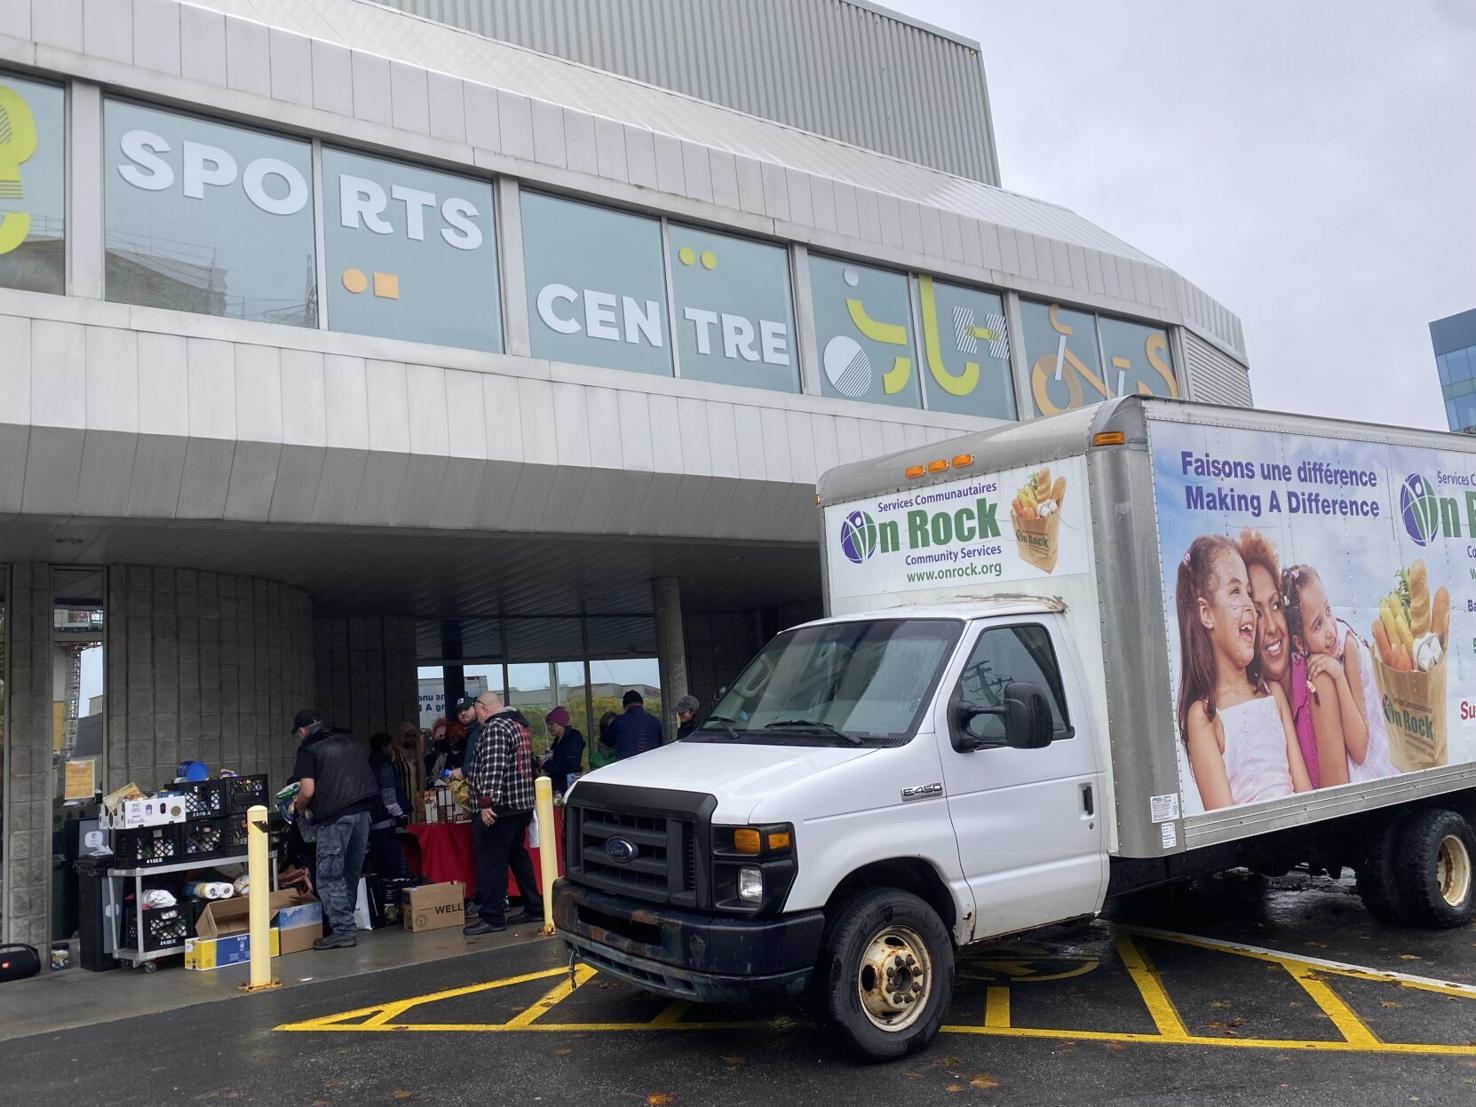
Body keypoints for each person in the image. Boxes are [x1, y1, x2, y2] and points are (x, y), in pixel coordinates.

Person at [1175, 536, 1311, 811]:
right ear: (1206, 614)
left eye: (1249, 592)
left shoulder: (1272, 694)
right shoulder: (1204, 715)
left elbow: (1305, 794)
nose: (1250, 605)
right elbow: (1226, 827)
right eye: (1235, 591)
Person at [1282, 563, 1398, 785]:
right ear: (1298, 642)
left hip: (1382, 768)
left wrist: (1337, 674)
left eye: (1328, 611)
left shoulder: (1348, 648)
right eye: (1317, 626)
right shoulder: (1312, 664)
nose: (1329, 630)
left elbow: (1359, 748)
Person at [290, 708, 378, 949]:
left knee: (329, 875)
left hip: (335, 818)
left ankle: (342, 929)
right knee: (350, 872)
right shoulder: (349, 742)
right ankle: (344, 924)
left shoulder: (308, 748)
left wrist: (296, 807)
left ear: (302, 730)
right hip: (363, 814)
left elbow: (307, 790)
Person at [464, 691, 543, 934]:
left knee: (492, 862)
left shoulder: (494, 728)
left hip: (500, 808)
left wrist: (486, 802)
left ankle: (492, 916)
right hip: (520, 805)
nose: (476, 714)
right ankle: (534, 906)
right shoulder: (518, 724)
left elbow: (493, 767)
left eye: (476, 709)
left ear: (483, 708)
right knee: (517, 856)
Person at [367, 732, 409, 878]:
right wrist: (400, 815)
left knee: (379, 870)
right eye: (391, 746)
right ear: (384, 747)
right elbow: (389, 798)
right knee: (393, 870)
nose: (392, 750)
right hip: (386, 824)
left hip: (371, 823)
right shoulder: (385, 767)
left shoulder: (368, 765)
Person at [605, 690, 663, 760]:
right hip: (652, 764)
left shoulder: (618, 721)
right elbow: (660, 744)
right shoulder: (655, 721)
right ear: (641, 704)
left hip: (626, 766)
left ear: (626, 706)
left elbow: (606, 742)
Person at [541, 706, 586, 793]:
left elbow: (571, 767)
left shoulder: (573, 739)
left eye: (551, 724)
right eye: (548, 724)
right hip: (560, 784)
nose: (549, 728)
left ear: (560, 723)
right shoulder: (558, 740)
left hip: (567, 786)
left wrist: (547, 764)